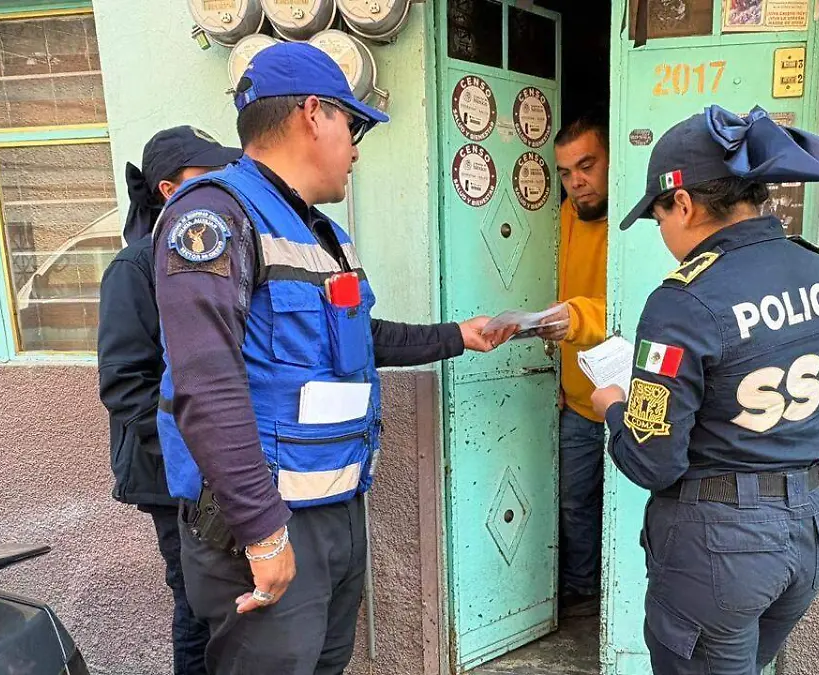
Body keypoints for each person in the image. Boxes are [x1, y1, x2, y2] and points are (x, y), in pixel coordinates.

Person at [151, 42, 509, 675]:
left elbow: (356, 340)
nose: (357, 149)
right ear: (313, 114)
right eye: (354, 126)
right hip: (261, 520)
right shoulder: (214, 217)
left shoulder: (322, 233)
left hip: (335, 508)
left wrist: (458, 335)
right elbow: (206, 385)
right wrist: (263, 531)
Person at [590, 106, 819, 674]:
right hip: (807, 529)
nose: (663, 235)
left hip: (719, 548)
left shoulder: (684, 301)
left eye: (658, 218)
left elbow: (653, 461)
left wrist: (613, 407)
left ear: (683, 203)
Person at [98, 125, 241, 675]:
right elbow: (125, 386)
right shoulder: (136, 267)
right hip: (171, 476)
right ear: (168, 189)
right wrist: (194, 457)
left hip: (218, 466)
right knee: (198, 604)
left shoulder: (208, 254)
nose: (225, 185)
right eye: (210, 174)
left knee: (230, 601)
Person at [538, 113, 610, 617]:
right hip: (578, 400)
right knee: (572, 500)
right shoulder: (563, 215)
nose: (576, 181)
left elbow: (639, 304)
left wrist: (577, 317)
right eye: (565, 172)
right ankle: (583, 590)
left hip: (631, 398)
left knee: (633, 505)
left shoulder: (640, 222)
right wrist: (556, 379)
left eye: (587, 166)